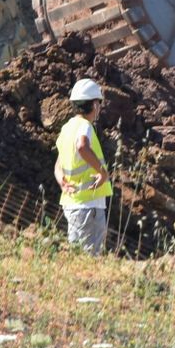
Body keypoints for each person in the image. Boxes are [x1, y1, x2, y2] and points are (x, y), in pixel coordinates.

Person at [54, 78, 113, 254]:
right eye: (99, 104)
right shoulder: (85, 126)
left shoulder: (66, 128)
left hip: (72, 204)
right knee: (90, 256)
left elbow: (58, 164)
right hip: (89, 206)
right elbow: (82, 146)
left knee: (78, 254)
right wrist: (103, 173)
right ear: (94, 105)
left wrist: (62, 182)